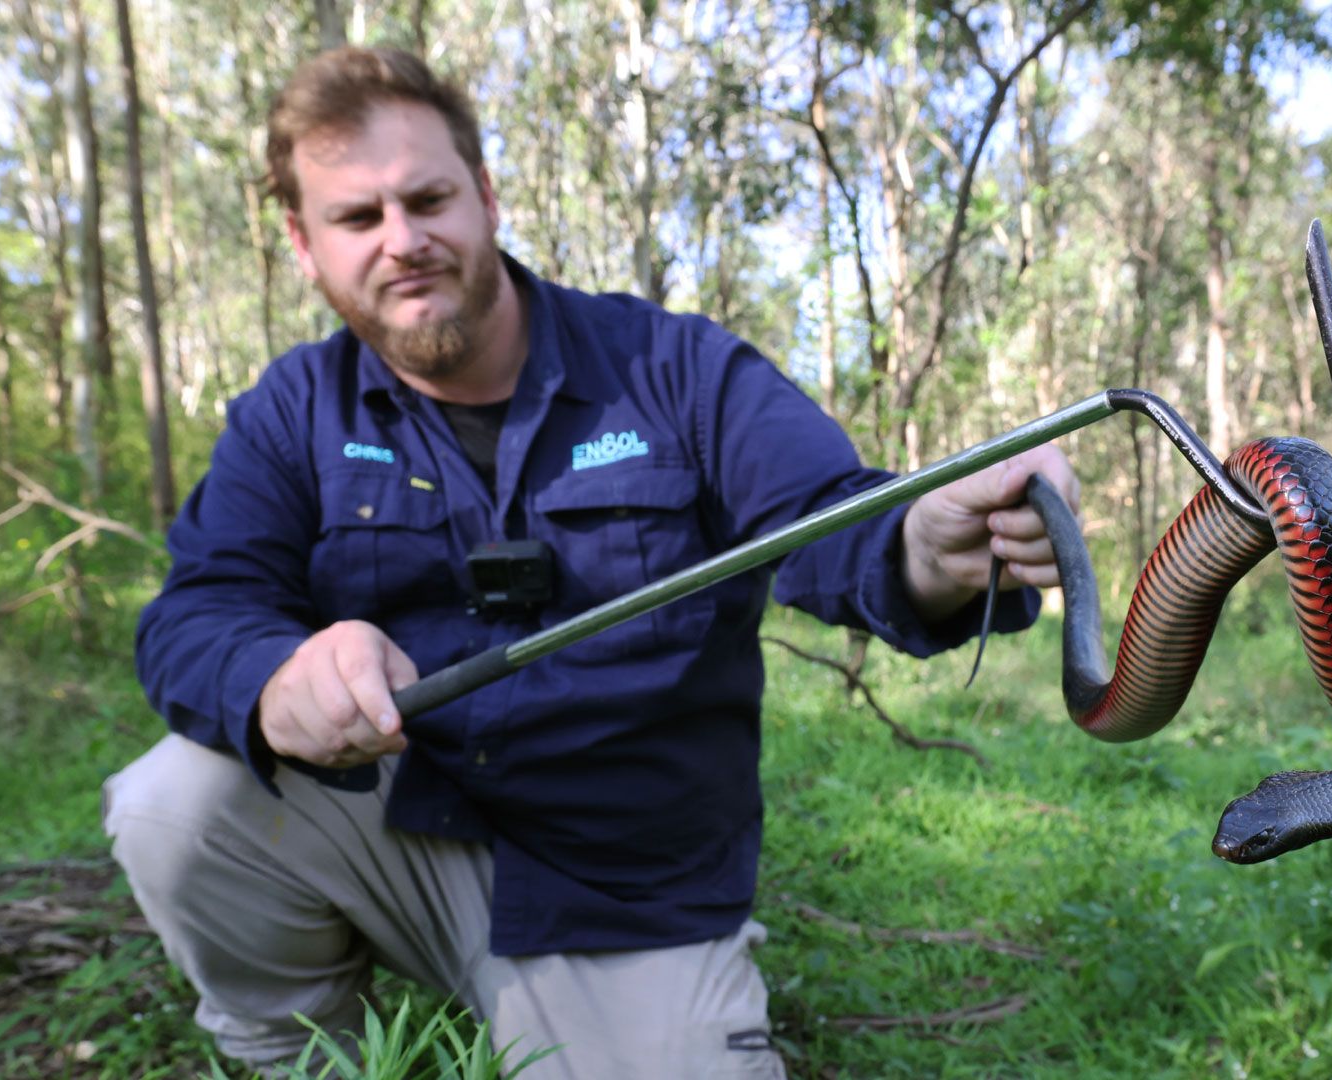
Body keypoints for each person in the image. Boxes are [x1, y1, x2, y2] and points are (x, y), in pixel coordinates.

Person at [104, 45, 1079, 1079]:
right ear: (304, 245)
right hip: (397, 830)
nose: (403, 241)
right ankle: (299, 1055)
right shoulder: (294, 411)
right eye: (357, 218)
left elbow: (830, 522)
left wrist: (924, 542)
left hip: (618, 888)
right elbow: (198, 611)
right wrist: (271, 681)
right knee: (174, 804)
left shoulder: (676, 370)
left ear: (482, 194)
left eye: (428, 198)